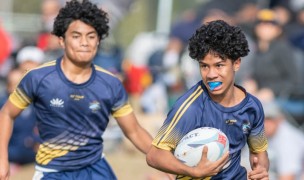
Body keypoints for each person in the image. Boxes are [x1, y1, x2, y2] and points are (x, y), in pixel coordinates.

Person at [0, 0, 152, 179]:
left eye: (91, 36)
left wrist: (165, 161)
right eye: (76, 36)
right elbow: (7, 114)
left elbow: (134, 131)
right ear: (62, 40)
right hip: (53, 172)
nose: (84, 42)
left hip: (96, 170)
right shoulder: (38, 78)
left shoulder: (110, 84)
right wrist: (2, 160)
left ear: (99, 40)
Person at [146, 20, 269, 179]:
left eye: (219, 65)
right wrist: (194, 172)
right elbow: (154, 155)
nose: (211, 74)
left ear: (236, 63)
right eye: (204, 66)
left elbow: (259, 152)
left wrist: (261, 169)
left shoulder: (252, 106)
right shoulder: (191, 107)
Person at [262, 101, 304, 180]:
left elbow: (288, 177)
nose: (264, 123)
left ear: (279, 119)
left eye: (268, 119)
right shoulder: (264, 134)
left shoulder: (288, 141)